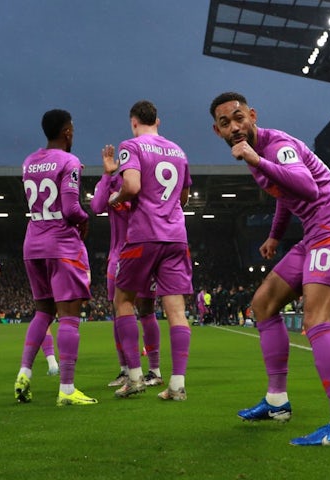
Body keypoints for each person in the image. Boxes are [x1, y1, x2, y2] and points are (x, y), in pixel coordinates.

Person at [210, 92, 330, 446]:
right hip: (314, 232)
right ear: (217, 131)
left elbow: (307, 187)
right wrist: (274, 236)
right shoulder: (256, 155)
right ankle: (277, 402)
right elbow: (285, 196)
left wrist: (256, 160)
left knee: (316, 321)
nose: (234, 127)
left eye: (239, 118)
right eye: (225, 123)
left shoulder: (276, 146)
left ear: (252, 115)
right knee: (263, 304)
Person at [106, 99, 193, 401]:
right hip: (176, 236)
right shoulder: (179, 151)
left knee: (123, 300)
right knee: (176, 311)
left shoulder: (131, 145)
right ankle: (177, 384)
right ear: (158, 120)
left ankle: (134, 378)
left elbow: (131, 185)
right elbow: (184, 197)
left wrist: (113, 199)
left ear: (133, 122)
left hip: (144, 235)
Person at [14, 108, 97, 406]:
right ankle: (67, 388)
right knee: (69, 317)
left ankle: (24, 373)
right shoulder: (70, 161)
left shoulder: (28, 162)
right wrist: (86, 218)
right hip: (61, 246)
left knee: (42, 312)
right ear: (67, 132)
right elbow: (72, 209)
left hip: (32, 244)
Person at [90, 146, 163, 389]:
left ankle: (153, 370)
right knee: (118, 312)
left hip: (142, 252)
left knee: (146, 310)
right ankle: (126, 370)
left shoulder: (143, 185)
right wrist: (106, 174)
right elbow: (97, 207)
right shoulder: (113, 185)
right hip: (118, 257)